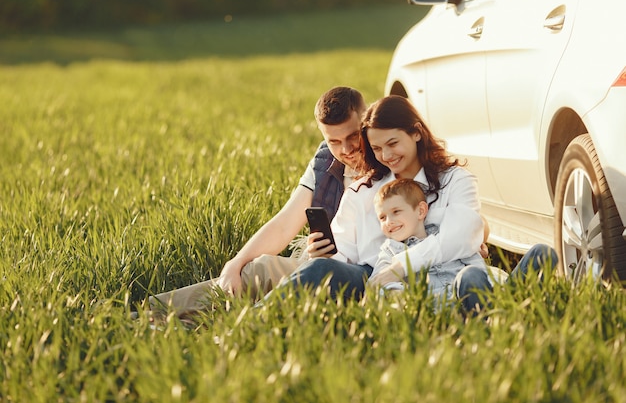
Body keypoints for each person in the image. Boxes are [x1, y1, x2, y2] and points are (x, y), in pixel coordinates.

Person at [147, 86, 367, 317]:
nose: (346, 149)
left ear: (366, 122)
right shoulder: (325, 160)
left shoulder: (386, 159)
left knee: (266, 277)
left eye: (353, 137)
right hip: (316, 260)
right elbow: (284, 225)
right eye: (334, 141)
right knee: (253, 271)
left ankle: (177, 320)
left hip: (349, 270)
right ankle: (148, 314)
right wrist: (236, 261)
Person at [284, 95, 486, 303]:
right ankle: (255, 321)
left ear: (416, 133)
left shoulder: (455, 179)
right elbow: (341, 255)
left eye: (392, 143)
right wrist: (322, 254)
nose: (386, 155)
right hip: (377, 281)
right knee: (319, 269)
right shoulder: (361, 192)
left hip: (449, 278)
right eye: (377, 149)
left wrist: (399, 267)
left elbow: (463, 235)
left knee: (479, 276)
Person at [372, 178, 486, 299]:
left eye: (396, 211)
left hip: (462, 300)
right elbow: (378, 280)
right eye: (382, 218)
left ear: (421, 211)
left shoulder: (444, 236)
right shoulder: (390, 250)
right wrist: (397, 292)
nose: (389, 222)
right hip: (427, 307)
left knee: (471, 274)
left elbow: (477, 267)